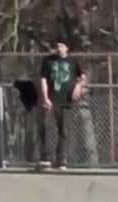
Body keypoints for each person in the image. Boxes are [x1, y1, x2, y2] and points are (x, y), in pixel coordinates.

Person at [37, 39, 86, 169]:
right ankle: (46, 158)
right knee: (46, 127)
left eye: (62, 46)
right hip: (51, 100)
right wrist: (45, 98)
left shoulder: (73, 61)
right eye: (57, 46)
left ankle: (61, 159)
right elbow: (43, 80)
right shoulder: (48, 60)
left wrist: (78, 86)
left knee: (63, 130)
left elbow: (83, 78)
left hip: (66, 100)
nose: (59, 49)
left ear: (67, 48)